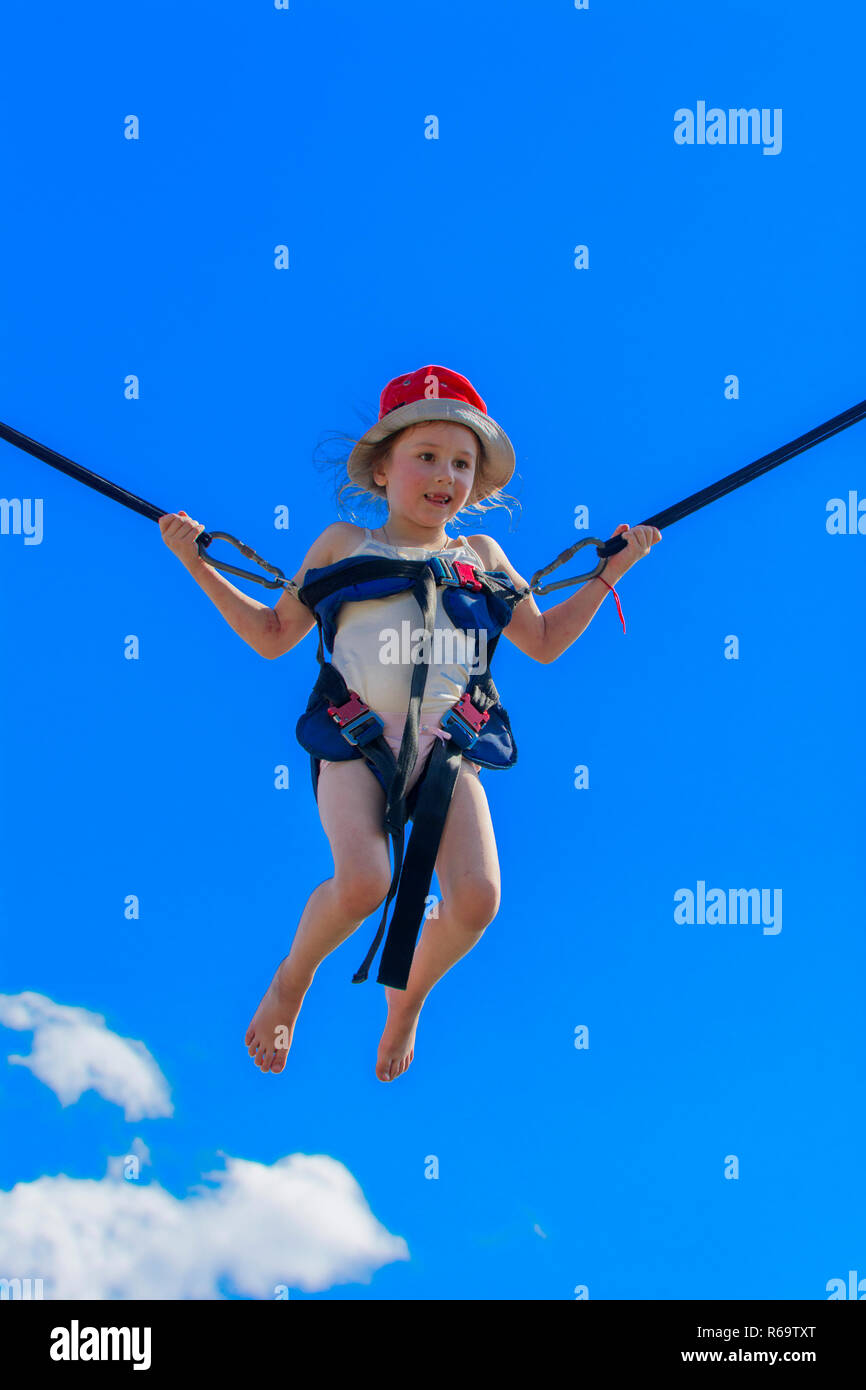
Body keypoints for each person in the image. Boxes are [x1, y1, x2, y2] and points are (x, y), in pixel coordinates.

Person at [158, 365, 661, 1082]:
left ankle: (409, 993)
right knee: (364, 882)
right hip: (357, 742)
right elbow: (273, 633)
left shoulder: (481, 557)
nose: (444, 476)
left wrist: (612, 571)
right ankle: (292, 978)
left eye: (461, 464)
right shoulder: (340, 545)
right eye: (426, 456)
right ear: (382, 469)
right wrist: (193, 562)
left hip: (448, 752)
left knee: (479, 899)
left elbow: (544, 642)